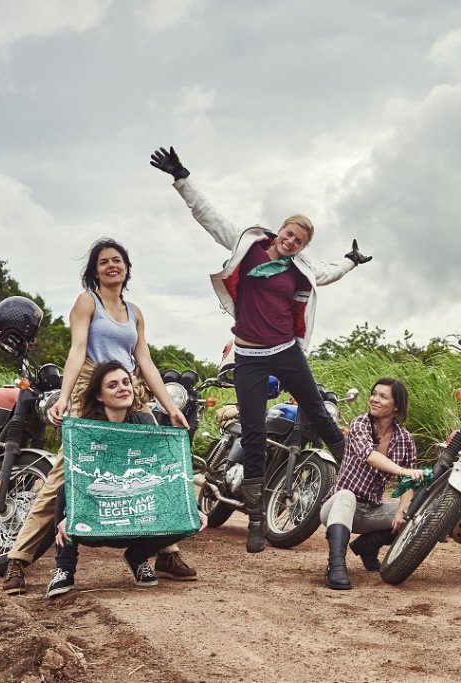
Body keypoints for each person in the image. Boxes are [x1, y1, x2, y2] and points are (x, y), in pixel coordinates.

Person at [150, 145, 371, 553]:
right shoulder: (247, 244)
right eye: (289, 234)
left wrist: (351, 261)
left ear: (303, 246)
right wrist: (182, 177)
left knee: (319, 414)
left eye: (299, 241)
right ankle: (254, 519)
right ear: (279, 231)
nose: (291, 242)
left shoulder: (300, 267)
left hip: (286, 352)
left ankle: (360, 477)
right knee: (252, 432)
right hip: (249, 357)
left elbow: (329, 273)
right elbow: (208, 216)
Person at [2, 239, 196, 594]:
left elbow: (145, 361)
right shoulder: (87, 302)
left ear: (126, 268)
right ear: (95, 270)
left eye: (117, 260)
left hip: (126, 387)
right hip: (92, 389)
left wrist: (170, 406)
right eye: (104, 262)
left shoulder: (134, 311)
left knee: (153, 466)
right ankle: (18, 559)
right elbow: (77, 350)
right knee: (67, 472)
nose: (111, 266)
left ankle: (166, 551)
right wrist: (64, 398)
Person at [48, 361, 196, 597]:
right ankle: (65, 570)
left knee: (188, 515)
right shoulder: (86, 430)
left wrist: (193, 506)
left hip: (136, 513)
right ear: (99, 395)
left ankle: (137, 557)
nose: (123, 388)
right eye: (113, 385)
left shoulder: (145, 423)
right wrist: (72, 514)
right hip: (99, 517)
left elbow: (162, 473)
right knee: (66, 491)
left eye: (126, 382)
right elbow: (80, 479)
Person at [318, 378, 423, 590]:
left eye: (383, 396)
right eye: (374, 394)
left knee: (419, 510)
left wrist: (403, 509)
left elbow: (407, 482)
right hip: (338, 507)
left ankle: (368, 545)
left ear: (396, 406)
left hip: (370, 511)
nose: (374, 399)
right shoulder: (360, 424)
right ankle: (336, 566)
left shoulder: (405, 438)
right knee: (346, 495)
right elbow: (370, 456)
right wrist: (403, 470)